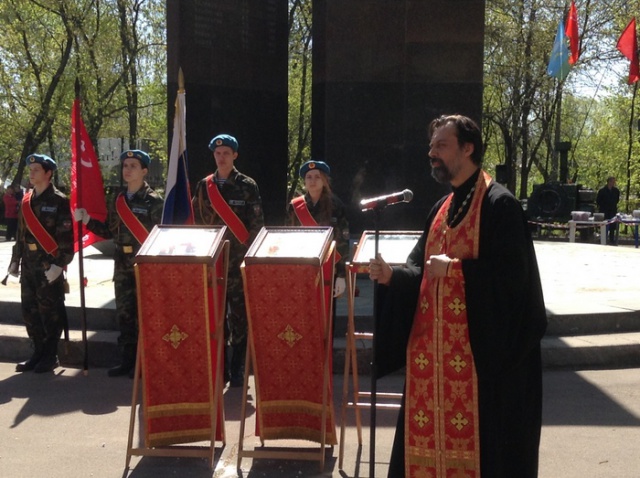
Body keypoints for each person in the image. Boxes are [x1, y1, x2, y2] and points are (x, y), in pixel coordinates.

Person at [368, 114, 547, 477]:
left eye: (441, 145)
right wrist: (394, 277)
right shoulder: (441, 209)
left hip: (479, 361)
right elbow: (420, 268)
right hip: (431, 364)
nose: (431, 153)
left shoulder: (499, 205)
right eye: (431, 146)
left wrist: (456, 269)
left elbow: (514, 282)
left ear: (467, 149)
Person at [74, 150, 163, 377]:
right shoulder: (118, 200)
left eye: (133, 166)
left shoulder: (154, 201)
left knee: (146, 316)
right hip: (122, 266)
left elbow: (161, 238)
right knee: (125, 315)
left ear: (144, 171)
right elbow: (109, 231)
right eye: (125, 165)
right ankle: (127, 361)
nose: (127, 169)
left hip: (144, 266)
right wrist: (87, 220)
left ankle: (146, 363)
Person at [192, 134, 264, 387]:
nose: (221, 157)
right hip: (212, 262)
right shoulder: (204, 186)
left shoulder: (247, 185)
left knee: (239, 317)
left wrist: (251, 260)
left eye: (226, 153)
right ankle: (219, 367)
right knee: (215, 315)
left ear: (235, 155)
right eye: (217, 153)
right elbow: (198, 222)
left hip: (237, 261)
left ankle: (238, 367)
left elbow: (256, 225)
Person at [8, 154, 74, 373]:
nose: (32, 172)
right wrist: (15, 261)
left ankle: (50, 354)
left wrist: (60, 264)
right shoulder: (26, 200)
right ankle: (37, 352)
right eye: (31, 169)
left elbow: (66, 237)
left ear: (48, 173)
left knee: (50, 310)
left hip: (48, 265)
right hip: (28, 264)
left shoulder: (59, 201)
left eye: (36, 169)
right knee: (30, 310)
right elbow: (20, 234)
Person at [287, 160, 349, 315]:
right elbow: (288, 239)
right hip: (302, 267)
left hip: (329, 268)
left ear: (324, 180)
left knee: (325, 315)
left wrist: (341, 275)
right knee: (302, 314)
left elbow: (342, 241)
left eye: (317, 177)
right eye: (309, 177)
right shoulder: (295, 206)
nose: (313, 181)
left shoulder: (336, 206)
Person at [596, 176, 620, 245]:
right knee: (604, 225)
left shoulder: (616, 191)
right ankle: (603, 238)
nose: (613, 183)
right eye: (612, 181)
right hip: (604, 210)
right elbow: (598, 201)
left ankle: (612, 240)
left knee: (612, 225)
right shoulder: (602, 191)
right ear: (609, 182)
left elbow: (617, 200)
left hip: (612, 210)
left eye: (614, 182)